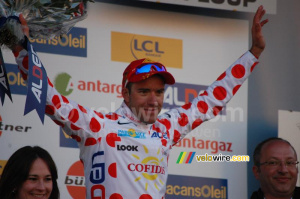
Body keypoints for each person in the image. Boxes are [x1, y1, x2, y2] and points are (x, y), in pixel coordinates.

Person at [10, 5, 268, 199]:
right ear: (125, 93)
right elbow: (48, 97)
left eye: (159, 92)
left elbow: (212, 99)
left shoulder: (167, 128)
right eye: (144, 91)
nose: (154, 100)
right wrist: (20, 46)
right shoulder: (98, 126)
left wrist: (253, 53)